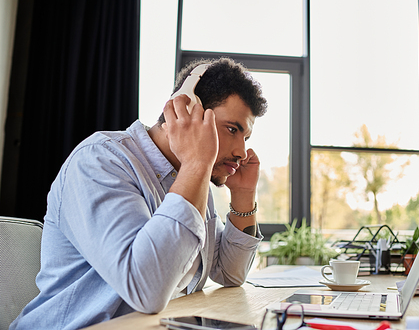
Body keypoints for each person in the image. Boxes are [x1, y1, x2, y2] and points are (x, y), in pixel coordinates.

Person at [10, 57, 268, 330]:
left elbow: (230, 272)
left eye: (246, 139)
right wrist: (196, 166)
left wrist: (243, 193)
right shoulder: (101, 160)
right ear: (187, 111)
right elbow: (146, 290)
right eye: (232, 129)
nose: (241, 151)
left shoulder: (192, 178)